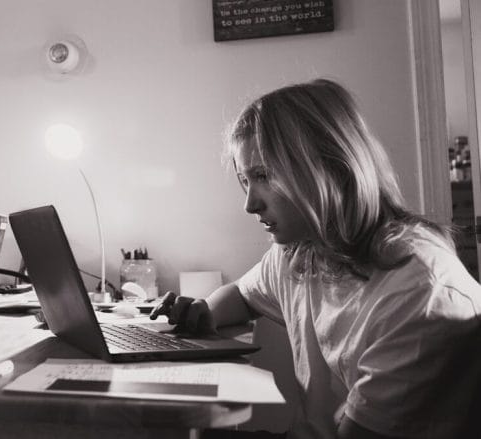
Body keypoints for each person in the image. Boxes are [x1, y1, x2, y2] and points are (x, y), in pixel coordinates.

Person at [151, 79, 481, 439]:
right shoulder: (304, 248)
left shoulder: (417, 292)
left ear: (331, 167)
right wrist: (205, 311)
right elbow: (243, 295)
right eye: (245, 180)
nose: (250, 204)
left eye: (263, 175)